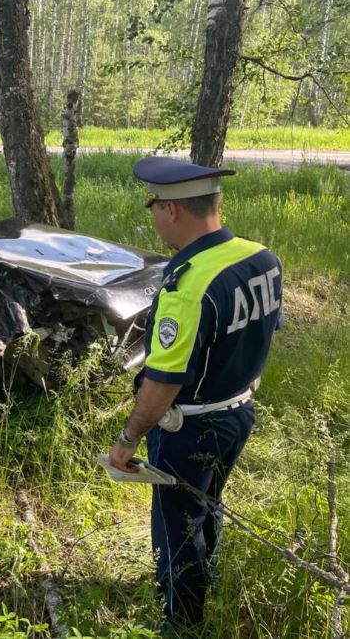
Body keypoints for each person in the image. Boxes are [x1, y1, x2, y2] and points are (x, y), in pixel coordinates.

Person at [108, 157, 284, 635]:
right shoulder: (261, 258)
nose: (153, 216)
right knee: (207, 502)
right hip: (239, 411)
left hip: (191, 427)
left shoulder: (188, 287)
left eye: (153, 207)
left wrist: (127, 440)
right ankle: (208, 579)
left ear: (170, 210)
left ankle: (182, 622)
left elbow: (162, 383)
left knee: (177, 529)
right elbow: (265, 331)